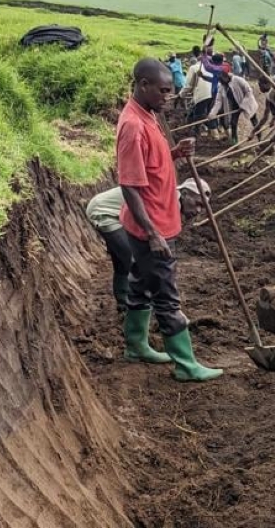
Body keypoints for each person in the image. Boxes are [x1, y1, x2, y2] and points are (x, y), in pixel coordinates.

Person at [116, 59, 222, 382]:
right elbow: (130, 186)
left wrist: (175, 153)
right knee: (166, 294)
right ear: (143, 85)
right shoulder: (133, 125)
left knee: (140, 283)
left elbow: (152, 166)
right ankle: (186, 364)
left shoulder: (148, 115)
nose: (169, 96)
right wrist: (152, 233)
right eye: (163, 90)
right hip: (152, 226)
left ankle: (136, 344)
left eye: (170, 90)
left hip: (155, 221)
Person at [86, 178, 210, 312]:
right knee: (134, 260)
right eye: (197, 203)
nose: (198, 210)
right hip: (105, 211)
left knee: (122, 261)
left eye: (202, 207)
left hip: (110, 209)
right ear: (184, 194)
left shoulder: (173, 198)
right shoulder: (169, 201)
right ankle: (136, 307)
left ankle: (124, 304)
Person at [209, 69, 260, 144]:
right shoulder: (222, 86)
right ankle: (234, 142)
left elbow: (249, 91)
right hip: (235, 105)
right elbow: (218, 101)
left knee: (254, 121)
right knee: (233, 123)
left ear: (226, 76)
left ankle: (260, 138)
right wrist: (212, 113)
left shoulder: (238, 80)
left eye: (222, 79)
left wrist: (243, 105)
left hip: (247, 102)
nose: (221, 82)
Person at [183, 53, 217, 138]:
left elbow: (188, 85)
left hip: (202, 95)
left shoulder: (193, 68)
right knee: (208, 113)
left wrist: (181, 95)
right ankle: (211, 134)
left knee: (199, 116)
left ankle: (213, 132)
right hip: (212, 94)